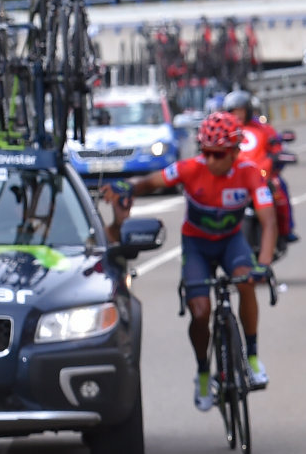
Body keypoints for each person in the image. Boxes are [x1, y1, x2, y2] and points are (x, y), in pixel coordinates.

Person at [105, 110, 275, 409]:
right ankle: (203, 373)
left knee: (247, 283)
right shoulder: (189, 168)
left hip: (231, 243)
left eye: (218, 154)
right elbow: (150, 182)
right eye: (206, 152)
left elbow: (269, 222)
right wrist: (128, 186)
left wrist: (263, 262)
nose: (210, 160)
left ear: (235, 152)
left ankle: (251, 357)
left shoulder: (249, 173)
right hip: (196, 245)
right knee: (200, 311)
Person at [223, 89, 296, 244]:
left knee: (279, 188)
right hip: (234, 176)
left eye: (241, 111)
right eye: (234, 112)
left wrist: (277, 158)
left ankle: (286, 229)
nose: (238, 115)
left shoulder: (263, 128)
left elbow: (276, 147)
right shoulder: (224, 129)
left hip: (262, 174)